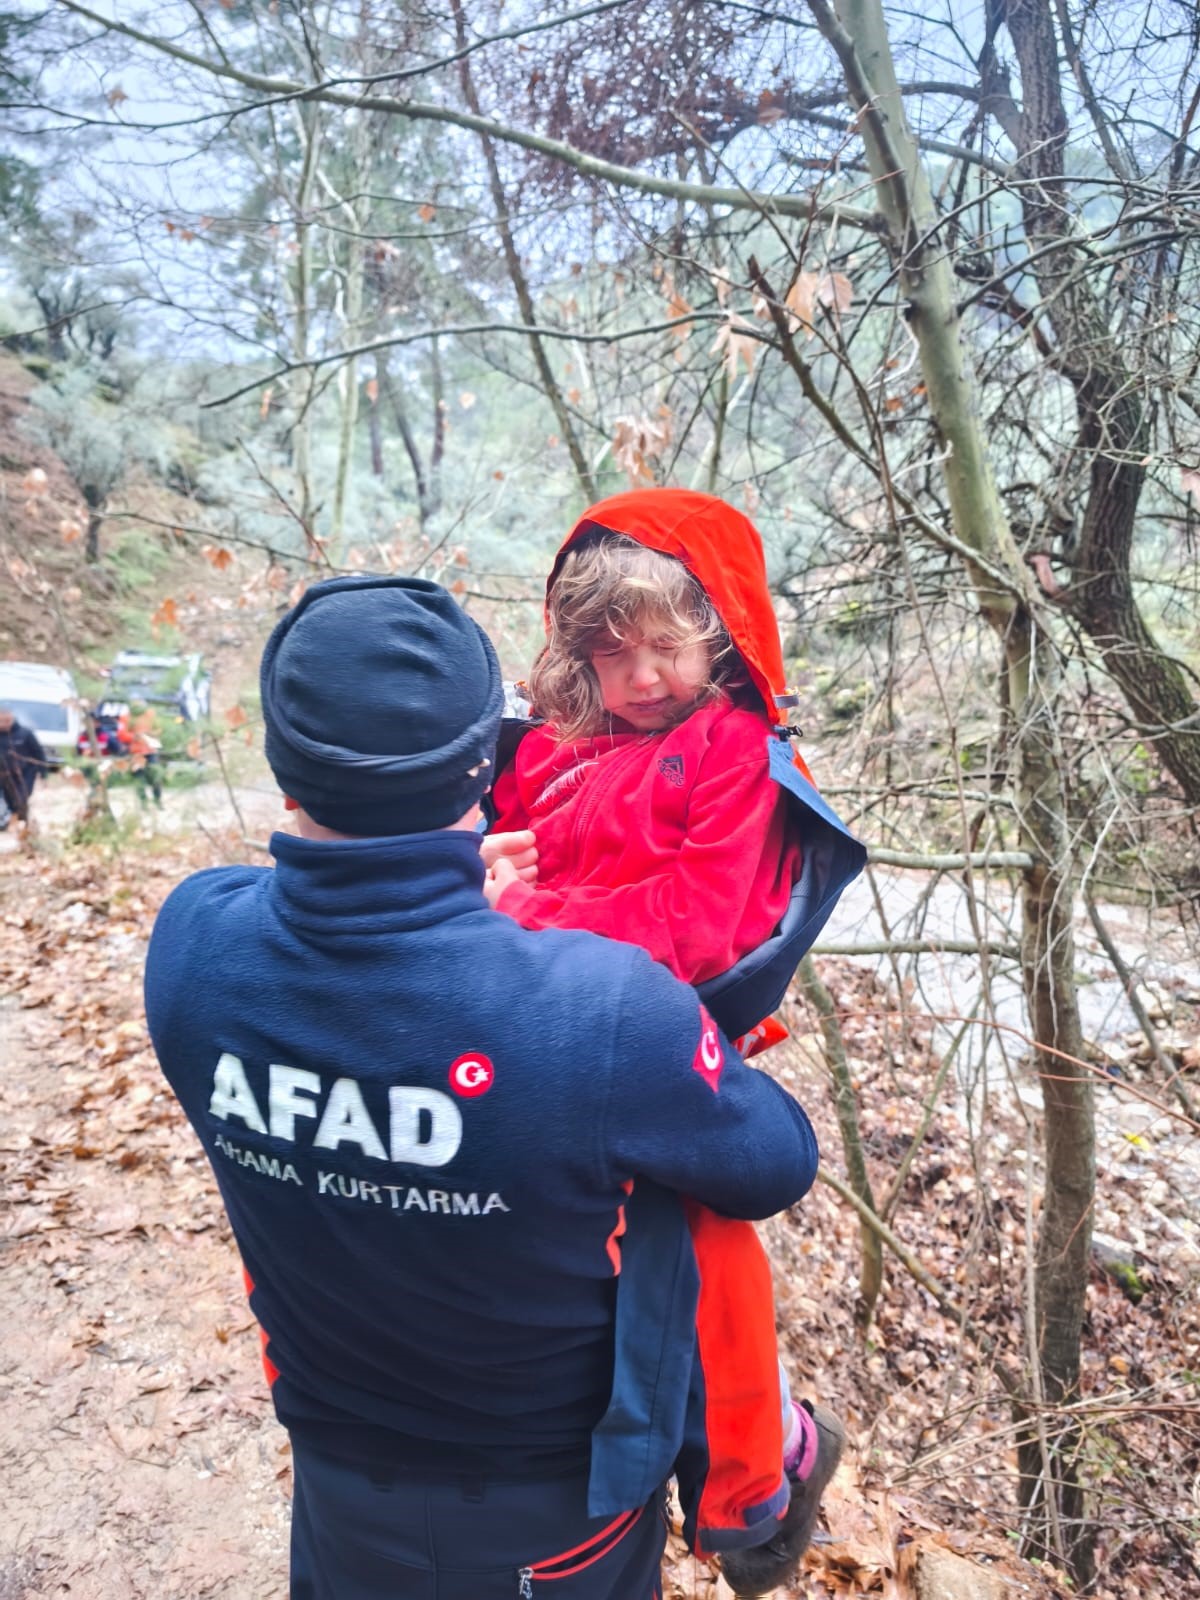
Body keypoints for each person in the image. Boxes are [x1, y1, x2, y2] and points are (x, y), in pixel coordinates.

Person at [143, 574, 823, 1600]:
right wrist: (500, 927)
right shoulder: (601, 1012)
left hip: (334, 1469)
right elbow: (774, 1159)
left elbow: (339, 956)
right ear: (482, 766)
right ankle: (754, 1482)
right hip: (553, 1515)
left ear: (284, 771)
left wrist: (471, 911)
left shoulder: (191, 945)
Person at [484, 487, 863, 1595]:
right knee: (583, 1252)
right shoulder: (549, 753)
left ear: (719, 635)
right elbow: (498, 861)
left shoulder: (733, 750)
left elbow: (696, 929)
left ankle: (757, 1483)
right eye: (612, 652)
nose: (642, 676)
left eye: (666, 646)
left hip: (672, 1039)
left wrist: (524, 919)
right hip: (545, 1031)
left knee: (701, 1241)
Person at [0, 705, 47, 834]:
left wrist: (43, 773)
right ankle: (12, 822)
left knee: (21, 799)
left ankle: (21, 824)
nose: (4, 724)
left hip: (25, 774)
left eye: (7, 720)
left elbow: (39, 754)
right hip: (3, 774)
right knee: (7, 801)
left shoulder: (25, 734)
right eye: (1, 721)